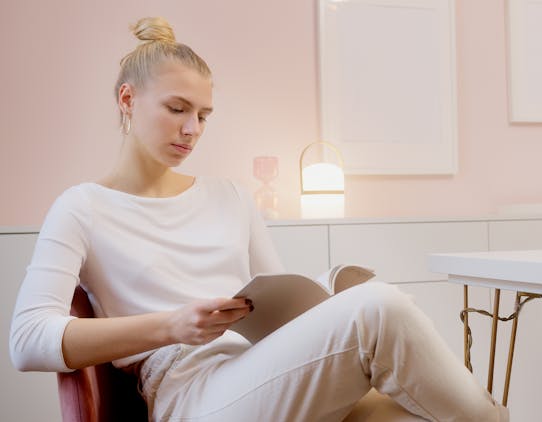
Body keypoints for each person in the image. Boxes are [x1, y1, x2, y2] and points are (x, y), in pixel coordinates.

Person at [9, 17, 509, 422]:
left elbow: (280, 312)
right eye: (177, 108)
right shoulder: (82, 207)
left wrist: (320, 302)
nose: (192, 129)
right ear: (127, 99)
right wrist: (172, 326)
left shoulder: (231, 197)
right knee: (378, 307)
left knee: (412, 413)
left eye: (204, 115)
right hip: (189, 391)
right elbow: (28, 341)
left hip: (262, 369)